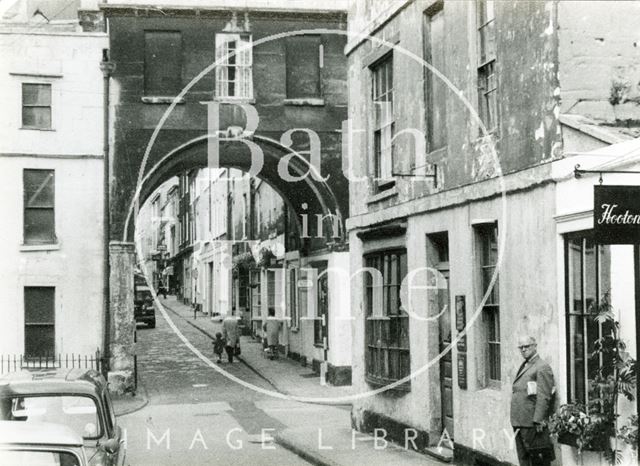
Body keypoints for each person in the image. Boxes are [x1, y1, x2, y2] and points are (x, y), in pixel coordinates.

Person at [510, 336, 555, 466]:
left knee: (537, 460)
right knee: (524, 459)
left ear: (535, 346)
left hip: (532, 422)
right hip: (519, 420)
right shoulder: (525, 365)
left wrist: (538, 420)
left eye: (527, 346)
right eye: (521, 347)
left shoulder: (542, 367)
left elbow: (544, 395)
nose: (524, 350)